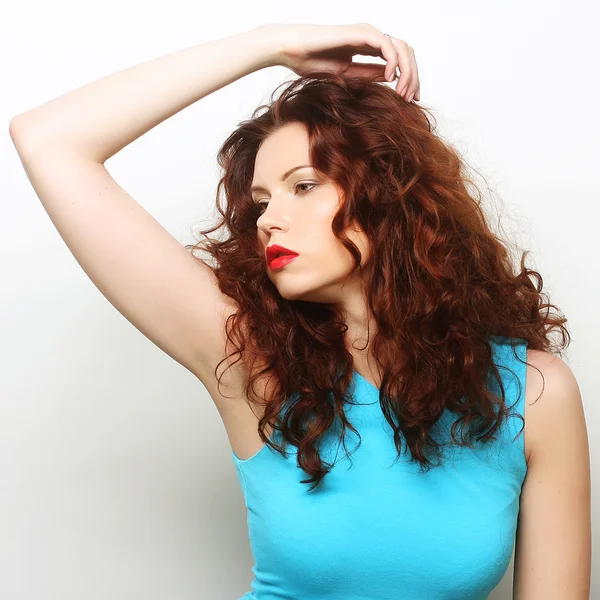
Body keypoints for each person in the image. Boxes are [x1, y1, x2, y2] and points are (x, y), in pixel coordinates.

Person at [9, 22, 591, 600]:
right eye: (261, 201)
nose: (267, 220)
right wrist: (272, 45)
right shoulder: (251, 363)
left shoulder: (534, 395)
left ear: (389, 192)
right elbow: (49, 140)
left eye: (303, 185)